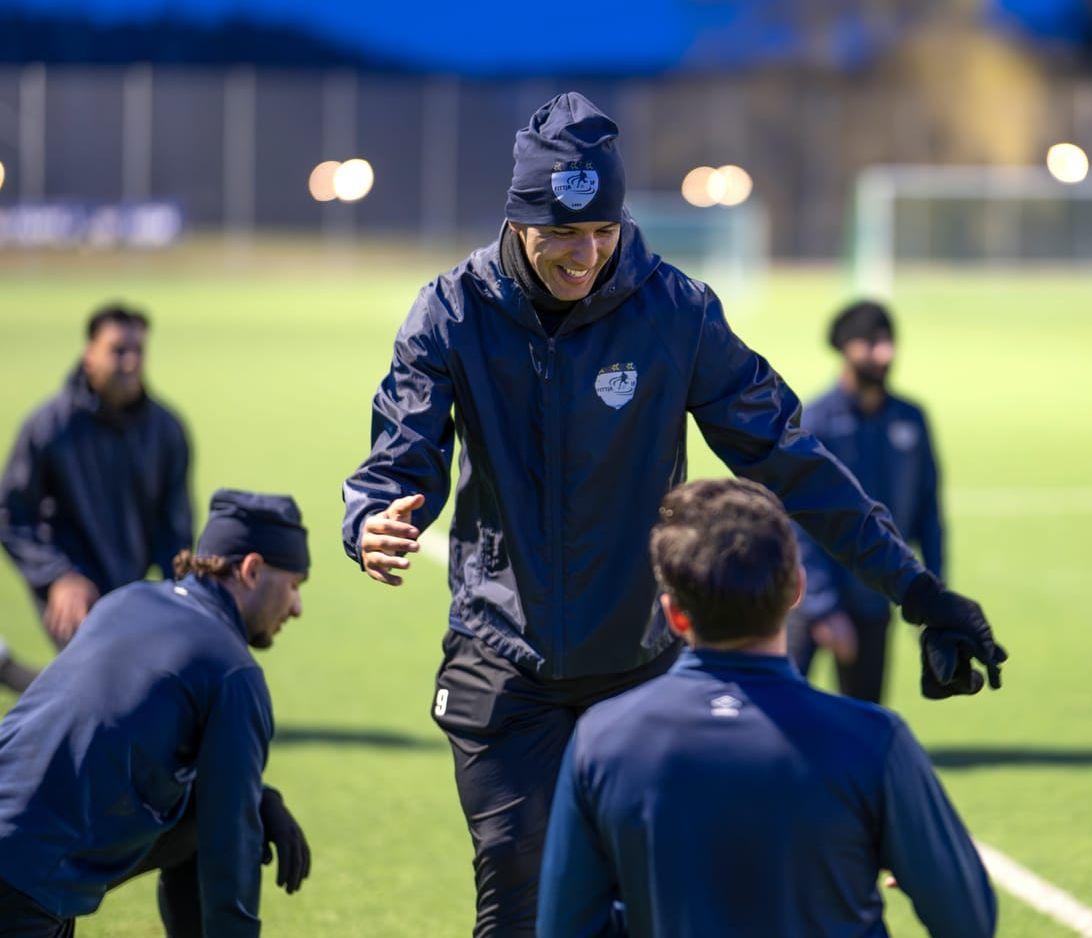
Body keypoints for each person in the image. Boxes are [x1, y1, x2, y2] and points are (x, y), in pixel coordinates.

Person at [342, 91, 1006, 937]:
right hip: (502, 665)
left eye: (602, 232)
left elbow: (791, 458)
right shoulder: (452, 311)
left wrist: (915, 590)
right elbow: (399, 458)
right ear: (517, 221)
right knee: (520, 904)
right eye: (562, 235)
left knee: (666, 907)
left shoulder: (675, 312)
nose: (585, 255)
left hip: (643, 668)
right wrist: (371, 517)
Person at [537, 478, 997, 938]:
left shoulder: (602, 740)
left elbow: (564, 928)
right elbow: (969, 921)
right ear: (797, 588)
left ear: (674, 614)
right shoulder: (873, 740)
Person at [0, 489, 312, 937]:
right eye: (294, 585)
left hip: (19, 850)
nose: (297, 607)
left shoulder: (126, 601)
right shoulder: (232, 670)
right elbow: (230, 843)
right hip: (23, 884)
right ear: (252, 570)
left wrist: (258, 797)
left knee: (209, 811)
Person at [0, 303, 193, 693]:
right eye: (118, 350)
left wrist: (185, 597)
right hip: (71, 585)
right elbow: (10, 513)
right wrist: (58, 575)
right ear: (89, 354)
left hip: (132, 586)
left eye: (138, 351)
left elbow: (175, 526)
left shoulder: (167, 430)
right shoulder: (49, 427)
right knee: (104, 692)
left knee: (132, 690)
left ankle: (4, 667)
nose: (131, 362)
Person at [790, 299, 944, 703]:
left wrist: (934, 597)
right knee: (781, 719)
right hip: (809, 600)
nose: (885, 353)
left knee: (865, 720)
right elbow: (795, 519)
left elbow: (928, 510)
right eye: (871, 342)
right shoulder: (814, 422)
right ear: (844, 348)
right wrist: (822, 608)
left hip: (874, 598)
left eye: (889, 341)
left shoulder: (911, 418)